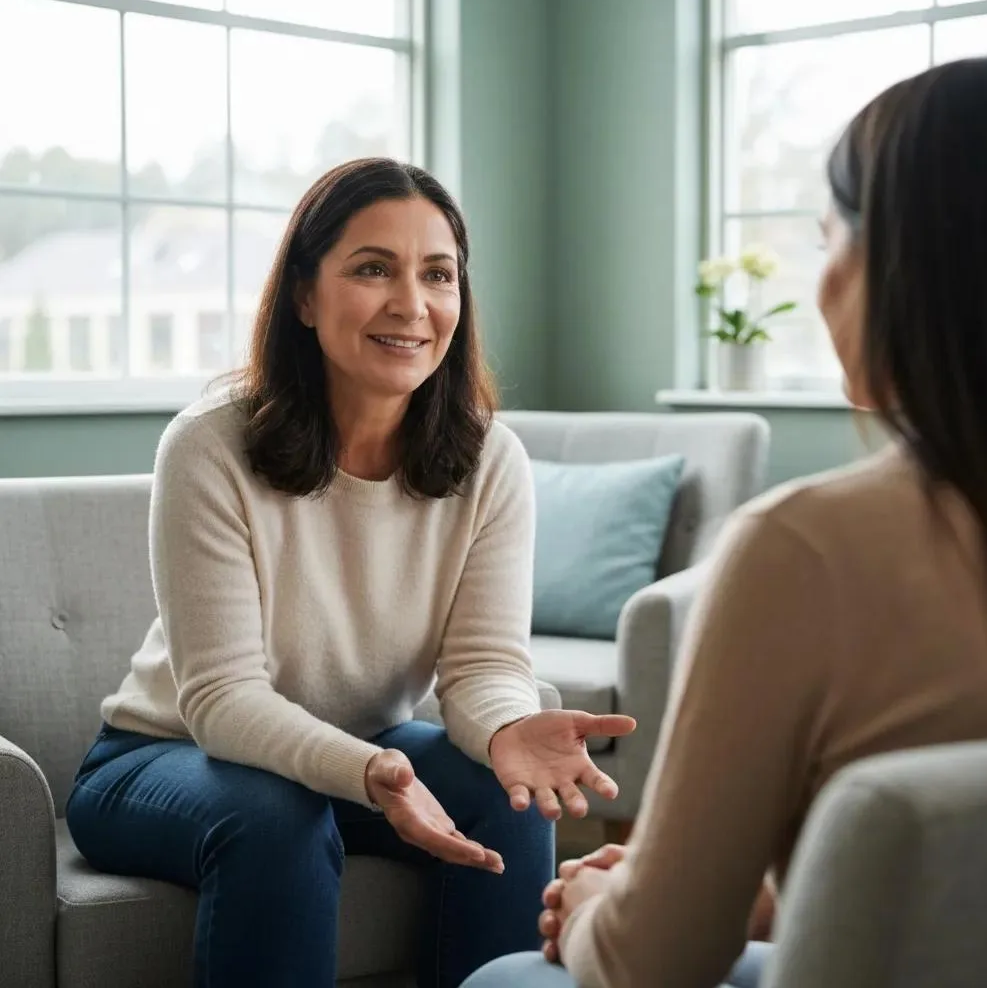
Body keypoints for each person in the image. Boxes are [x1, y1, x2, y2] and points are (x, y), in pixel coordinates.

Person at [462, 53, 987, 988]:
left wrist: (606, 905)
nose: (822, 283)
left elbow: (657, 963)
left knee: (503, 980)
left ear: (900, 265)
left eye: (825, 239)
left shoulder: (806, 550)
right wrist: (691, 881)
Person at [65, 157, 636, 988]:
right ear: (304, 294)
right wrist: (370, 772)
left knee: (498, 786)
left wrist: (510, 728)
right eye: (373, 269)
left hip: (366, 748)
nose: (412, 304)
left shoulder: (490, 460)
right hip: (159, 758)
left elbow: (481, 667)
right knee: (275, 813)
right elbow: (222, 699)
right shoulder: (209, 445)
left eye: (438, 275)